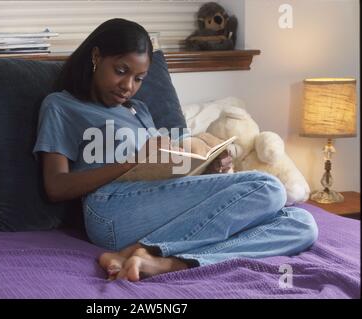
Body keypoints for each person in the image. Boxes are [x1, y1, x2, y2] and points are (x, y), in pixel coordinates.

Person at [33, 18, 318, 282]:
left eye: (139, 78)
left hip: (164, 203)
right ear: (96, 58)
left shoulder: (139, 110)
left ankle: (168, 263)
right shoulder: (62, 106)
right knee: (268, 188)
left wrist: (209, 168)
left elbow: (168, 172)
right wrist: (130, 163)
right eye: (121, 71)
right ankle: (136, 249)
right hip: (111, 209)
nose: (128, 86)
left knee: (301, 222)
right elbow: (55, 186)